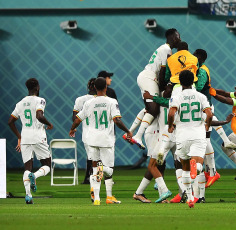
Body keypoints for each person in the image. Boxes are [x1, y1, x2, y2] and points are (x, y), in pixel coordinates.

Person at [69, 77, 132, 206]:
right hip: (106, 140)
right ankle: (107, 193)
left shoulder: (88, 103)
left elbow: (77, 119)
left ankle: (97, 199)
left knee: (94, 167)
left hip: (92, 139)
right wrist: (127, 131)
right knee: (108, 170)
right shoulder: (111, 102)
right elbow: (117, 120)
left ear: (95, 88)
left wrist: (72, 129)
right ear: (105, 88)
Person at [193, 49, 236, 189]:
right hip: (203, 107)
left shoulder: (201, 71)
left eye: (195, 56)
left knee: (205, 140)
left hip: (204, 107)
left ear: (200, 57)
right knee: (205, 140)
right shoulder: (199, 69)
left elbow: (200, 87)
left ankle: (212, 172)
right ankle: (210, 171)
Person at [168, 70, 213, 208]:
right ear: (193, 80)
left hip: (182, 135)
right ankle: (197, 168)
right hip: (198, 134)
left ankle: (190, 198)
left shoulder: (177, 97)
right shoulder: (201, 96)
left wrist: (170, 125)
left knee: (185, 169)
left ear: (180, 82)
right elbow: (209, 114)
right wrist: (207, 124)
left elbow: (171, 113)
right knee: (198, 164)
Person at [131, 28, 181, 149]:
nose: (179, 39)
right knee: (154, 109)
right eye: (178, 36)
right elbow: (162, 71)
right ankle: (137, 136)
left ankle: (130, 132)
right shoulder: (167, 49)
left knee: (148, 109)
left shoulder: (164, 48)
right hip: (149, 77)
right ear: (173, 37)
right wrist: (164, 85)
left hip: (146, 76)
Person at [8, 78, 53, 204]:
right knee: (47, 165)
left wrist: (19, 136)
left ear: (27, 88)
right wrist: (49, 124)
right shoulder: (40, 100)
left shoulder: (20, 103)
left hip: (25, 137)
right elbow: (39, 116)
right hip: (38, 136)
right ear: (37, 87)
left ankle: (28, 196)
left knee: (27, 167)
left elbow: (10, 121)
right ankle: (35, 176)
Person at [72, 78, 96, 184]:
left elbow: (75, 117)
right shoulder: (105, 100)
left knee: (90, 156)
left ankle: (89, 177)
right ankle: (98, 177)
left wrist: (73, 128)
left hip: (87, 132)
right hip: (102, 132)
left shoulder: (80, 100)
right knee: (99, 157)